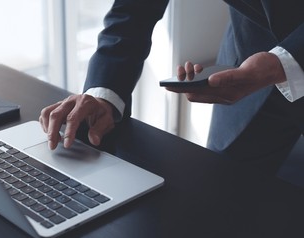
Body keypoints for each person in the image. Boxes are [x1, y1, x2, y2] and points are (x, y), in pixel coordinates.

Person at [39, 0, 304, 175]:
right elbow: (134, 10)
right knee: (222, 200)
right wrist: (103, 93)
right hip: (247, 58)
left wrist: (282, 62)